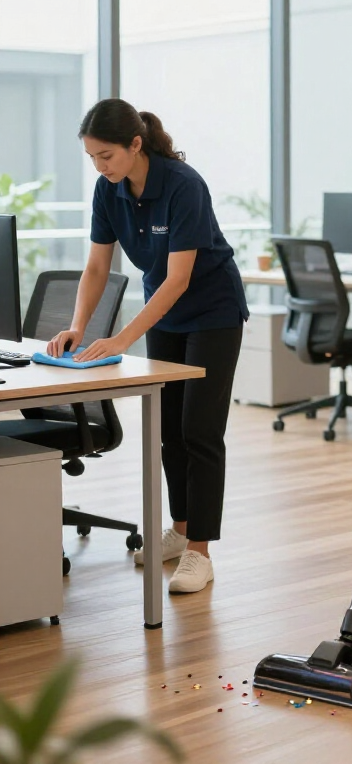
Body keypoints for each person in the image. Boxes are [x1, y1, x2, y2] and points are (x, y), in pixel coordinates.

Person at [48, 99, 248, 595]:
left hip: (213, 312)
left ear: (135, 145)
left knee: (200, 431)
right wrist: (78, 326)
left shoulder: (183, 185)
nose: (100, 166)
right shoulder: (108, 190)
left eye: (106, 155)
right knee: (169, 431)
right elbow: (97, 266)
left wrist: (121, 339)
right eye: (92, 157)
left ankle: (201, 552)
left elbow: (178, 278)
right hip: (167, 314)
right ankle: (180, 531)